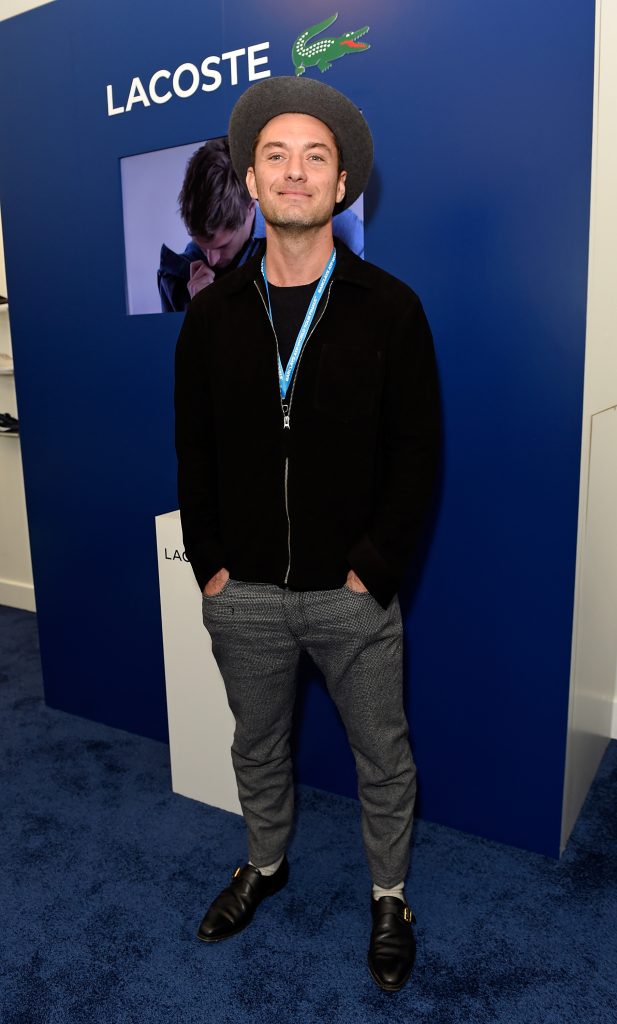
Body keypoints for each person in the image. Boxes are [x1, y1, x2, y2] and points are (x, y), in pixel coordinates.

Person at [174, 76, 440, 991]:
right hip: (239, 594)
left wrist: (371, 568)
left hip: (350, 595)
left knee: (382, 754)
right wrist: (212, 568)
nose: (294, 172)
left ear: (340, 186)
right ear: (250, 181)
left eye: (314, 157)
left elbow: (417, 456)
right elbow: (194, 450)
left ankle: (390, 894)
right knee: (256, 744)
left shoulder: (390, 309)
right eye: (276, 156)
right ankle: (266, 862)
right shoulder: (209, 317)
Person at [158, 136, 364, 312]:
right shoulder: (176, 279)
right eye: (203, 246)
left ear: (251, 206)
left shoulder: (327, 222)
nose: (211, 260)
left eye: (222, 246)